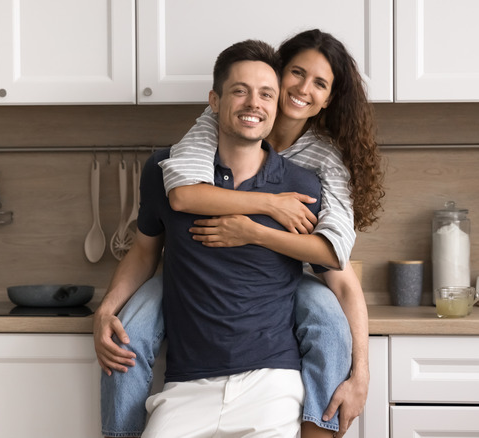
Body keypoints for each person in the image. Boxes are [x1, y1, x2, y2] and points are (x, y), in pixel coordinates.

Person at [95, 29, 385, 437]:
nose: (301, 89)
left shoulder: (317, 169)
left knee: (327, 319)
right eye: (296, 74)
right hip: (190, 329)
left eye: (319, 83)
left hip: (285, 287)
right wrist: (267, 205)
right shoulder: (199, 139)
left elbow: (334, 257)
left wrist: (254, 232)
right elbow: (178, 199)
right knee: (130, 324)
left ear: (329, 98)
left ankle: (319, 427)